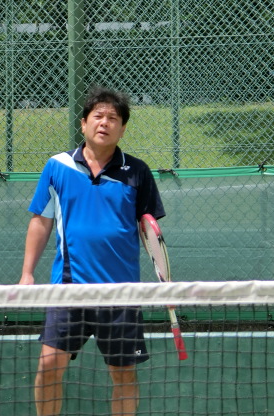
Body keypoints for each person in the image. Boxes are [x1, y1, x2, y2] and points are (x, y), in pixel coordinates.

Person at [19, 86, 165, 416]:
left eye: (113, 118)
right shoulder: (57, 167)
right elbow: (40, 222)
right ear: (83, 123)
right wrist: (27, 273)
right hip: (69, 289)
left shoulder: (138, 172)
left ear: (122, 129)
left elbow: (149, 230)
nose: (105, 123)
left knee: (124, 375)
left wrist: (162, 276)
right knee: (48, 366)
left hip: (120, 293)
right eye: (98, 116)